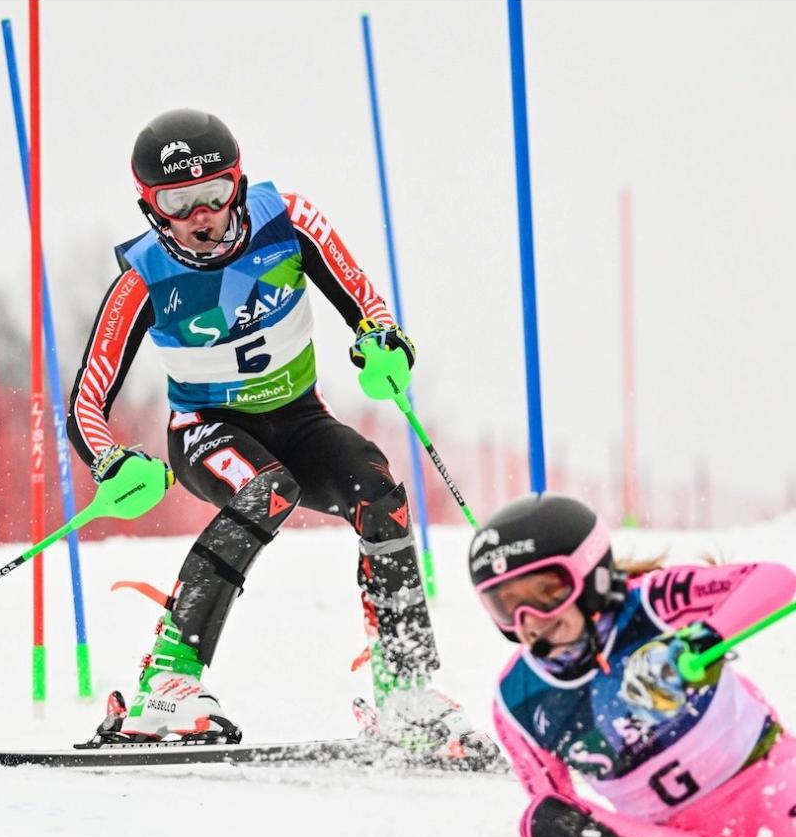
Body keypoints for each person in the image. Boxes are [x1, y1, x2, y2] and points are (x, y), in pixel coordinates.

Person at [66, 107, 493, 762]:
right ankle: (167, 681)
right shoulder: (144, 275)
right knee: (266, 489)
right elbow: (86, 400)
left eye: (216, 192)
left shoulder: (287, 221)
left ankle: (405, 687)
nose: (202, 214)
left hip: (300, 419)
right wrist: (109, 458)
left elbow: (368, 307)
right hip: (206, 428)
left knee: (380, 493)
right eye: (180, 202)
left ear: (239, 183)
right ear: (152, 207)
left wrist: (383, 344)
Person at [468, 491, 796, 837]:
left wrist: (702, 639)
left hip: (770, 805)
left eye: (546, 593)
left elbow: (776, 582)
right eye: (505, 606)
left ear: (591, 575)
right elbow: (564, 819)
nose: (530, 621)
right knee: (541, 821)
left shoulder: (653, 604)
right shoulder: (520, 699)